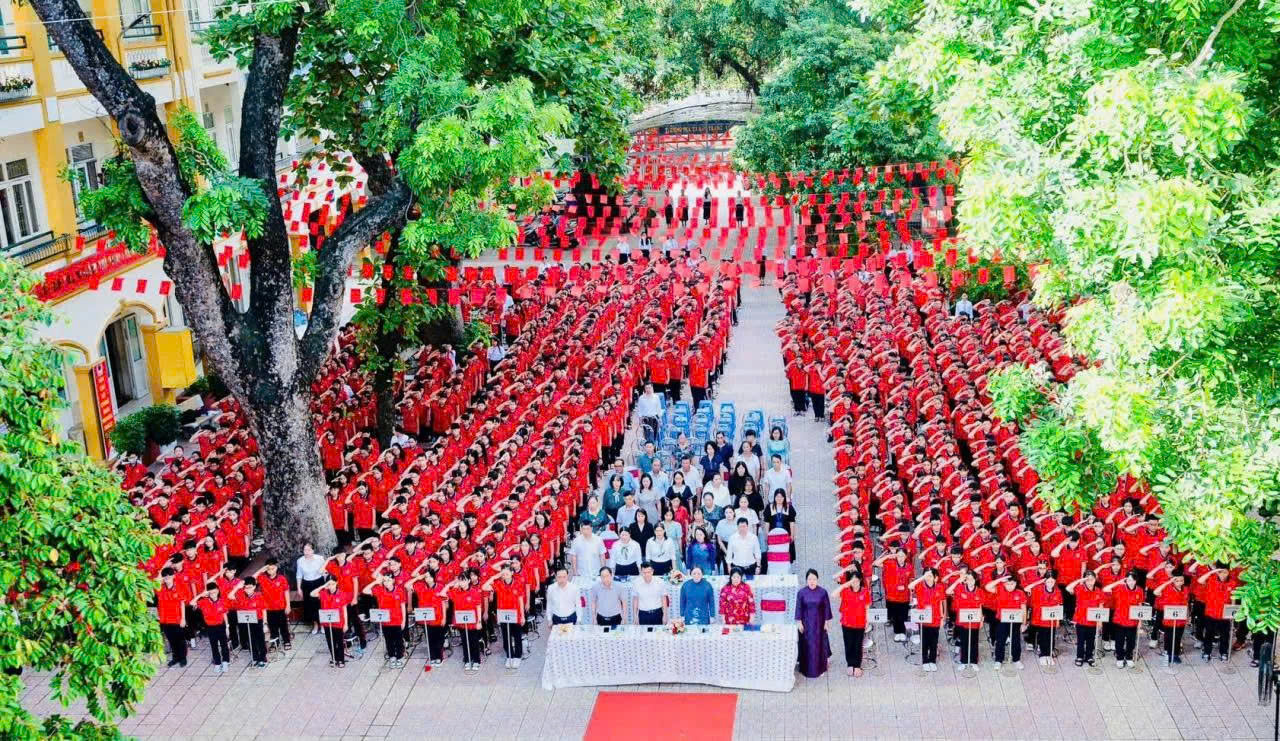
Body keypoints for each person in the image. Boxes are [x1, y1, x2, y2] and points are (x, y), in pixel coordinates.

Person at [364, 570, 407, 667]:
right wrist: (376, 582)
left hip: (397, 620)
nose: (386, 583)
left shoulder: (400, 590)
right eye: (384, 581)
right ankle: (392, 656)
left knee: (398, 640)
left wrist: (404, 620)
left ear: (393, 580)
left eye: (388, 580)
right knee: (388, 640)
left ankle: (400, 657)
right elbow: (365, 590)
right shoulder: (379, 590)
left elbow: (403, 606)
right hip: (385, 621)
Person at [487, 562, 526, 669]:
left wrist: (522, 616)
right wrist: (495, 576)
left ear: (512, 573)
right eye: (503, 574)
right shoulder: (499, 584)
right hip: (503, 614)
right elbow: (485, 587)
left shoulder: (518, 583)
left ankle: (517, 656)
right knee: (506, 636)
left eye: (507, 574)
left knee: (517, 636)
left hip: (515, 614)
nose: (505, 576)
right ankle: (509, 655)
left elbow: (520, 600)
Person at [796, 569, 833, 678]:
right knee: (807, 645)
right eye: (809, 579)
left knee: (819, 645)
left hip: (819, 623)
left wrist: (826, 622)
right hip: (806, 623)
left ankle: (820, 668)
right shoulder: (801, 593)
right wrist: (799, 622)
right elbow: (798, 608)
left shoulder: (823, 592)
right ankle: (806, 669)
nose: (812, 581)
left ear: (817, 580)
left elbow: (826, 608)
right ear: (806, 580)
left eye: (814, 579)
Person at [1104, 571, 1145, 668]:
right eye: (1128, 580)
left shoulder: (1139, 590)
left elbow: (1140, 605)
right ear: (1125, 580)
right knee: (1119, 641)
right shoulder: (1119, 588)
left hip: (1133, 621)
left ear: (1136, 581)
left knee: (1131, 641)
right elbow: (1106, 589)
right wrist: (1119, 582)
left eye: (1133, 580)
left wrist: (1140, 622)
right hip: (1120, 619)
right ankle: (1120, 658)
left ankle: (1129, 657)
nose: (1131, 582)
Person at [910, 568, 947, 671]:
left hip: (935, 618)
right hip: (923, 619)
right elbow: (910, 586)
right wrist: (922, 577)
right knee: (924, 641)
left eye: (930, 576)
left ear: (935, 578)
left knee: (934, 641)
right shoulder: (919, 586)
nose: (928, 578)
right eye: (926, 576)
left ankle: (932, 661)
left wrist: (942, 618)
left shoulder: (939, 587)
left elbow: (940, 604)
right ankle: (925, 661)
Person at [311, 575, 352, 668]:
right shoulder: (323, 593)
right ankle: (334, 658)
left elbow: (344, 610)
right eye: (329, 585)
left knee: (339, 641)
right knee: (330, 642)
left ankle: (341, 659)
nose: (331, 586)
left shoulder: (342, 594)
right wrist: (323, 586)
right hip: (327, 622)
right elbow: (312, 594)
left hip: (338, 623)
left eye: (332, 584)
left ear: (336, 583)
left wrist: (345, 624)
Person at [986, 575, 1027, 668]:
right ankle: (998, 660)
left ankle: (1016, 659)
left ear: (1015, 583)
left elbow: (1023, 609)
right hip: (1002, 620)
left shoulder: (1020, 593)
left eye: (1012, 584)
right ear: (1004, 584)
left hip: (1016, 621)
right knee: (1000, 640)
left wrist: (1024, 623)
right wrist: (1000, 579)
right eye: (1007, 584)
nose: (1010, 586)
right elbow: (988, 587)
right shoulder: (999, 590)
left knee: (1015, 640)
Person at [191, 581, 232, 673]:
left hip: (221, 626)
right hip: (210, 627)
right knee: (214, 645)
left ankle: (225, 662)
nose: (213, 594)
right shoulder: (204, 602)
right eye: (211, 593)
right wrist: (201, 595)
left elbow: (224, 614)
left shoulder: (222, 601)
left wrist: (227, 626)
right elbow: (192, 602)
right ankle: (217, 663)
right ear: (208, 593)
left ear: (218, 591)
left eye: (214, 592)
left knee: (224, 645)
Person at [227, 578, 269, 667]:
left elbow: (264, 610)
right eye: (245, 588)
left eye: (250, 587)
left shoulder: (259, 596)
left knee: (260, 640)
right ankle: (254, 657)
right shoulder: (241, 595)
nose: (247, 590)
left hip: (258, 621)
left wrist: (265, 624)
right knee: (250, 640)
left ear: (254, 587)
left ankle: (263, 658)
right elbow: (230, 596)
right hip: (246, 622)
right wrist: (237, 587)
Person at [1025, 571, 1064, 666]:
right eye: (1048, 581)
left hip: (1051, 619)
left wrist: (1058, 621)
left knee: (1051, 636)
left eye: (1052, 581)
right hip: (1040, 618)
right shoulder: (1038, 588)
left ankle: (1049, 654)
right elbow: (1027, 588)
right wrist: (1040, 581)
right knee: (1043, 636)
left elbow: (1059, 606)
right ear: (1045, 581)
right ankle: (1043, 655)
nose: (1050, 583)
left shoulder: (1058, 591)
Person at [837, 572, 872, 677]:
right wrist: (845, 584)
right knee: (848, 644)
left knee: (858, 644)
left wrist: (867, 621)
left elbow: (867, 607)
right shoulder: (845, 591)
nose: (855, 583)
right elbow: (833, 594)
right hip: (847, 623)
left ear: (860, 580)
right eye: (852, 581)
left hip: (860, 623)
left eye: (856, 580)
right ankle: (850, 664)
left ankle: (857, 665)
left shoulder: (864, 591)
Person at [875, 546, 913, 642]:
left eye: (902, 556)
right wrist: (888, 556)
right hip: (892, 596)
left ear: (906, 556)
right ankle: (897, 632)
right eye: (898, 556)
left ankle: (902, 632)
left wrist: (911, 595)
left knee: (903, 614)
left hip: (904, 596)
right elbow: (876, 563)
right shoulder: (890, 564)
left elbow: (911, 581)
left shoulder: (909, 566)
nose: (900, 558)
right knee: (895, 615)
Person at [949, 570, 984, 670]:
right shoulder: (960, 588)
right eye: (968, 579)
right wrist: (959, 580)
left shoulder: (980, 591)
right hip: (962, 621)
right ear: (965, 580)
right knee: (964, 641)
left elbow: (980, 606)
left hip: (975, 621)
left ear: (975, 580)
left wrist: (981, 620)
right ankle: (963, 661)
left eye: (972, 579)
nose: (970, 581)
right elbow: (948, 591)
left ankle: (973, 661)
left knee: (974, 641)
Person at [255, 558, 292, 651]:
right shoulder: (262, 578)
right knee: (272, 626)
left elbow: (286, 591)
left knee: (283, 625)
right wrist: (262, 569)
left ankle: (286, 641)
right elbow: (252, 579)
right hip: (268, 608)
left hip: (281, 607)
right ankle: (275, 642)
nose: (271, 571)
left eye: (273, 568)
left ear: (276, 567)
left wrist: (288, 605)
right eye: (268, 569)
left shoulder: (282, 578)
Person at [1153, 570, 1190, 664]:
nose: (1180, 582)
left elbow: (1187, 604)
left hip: (1181, 619)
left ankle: (1175, 654)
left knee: (1178, 637)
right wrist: (1168, 582)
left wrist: (1188, 616)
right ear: (1173, 580)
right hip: (1169, 619)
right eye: (1177, 581)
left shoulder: (1186, 589)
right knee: (1168, 637)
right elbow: (1156, 592)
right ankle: (1168, 653)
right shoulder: (1167, 588)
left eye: (1181, 580)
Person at [156, 568, 188, 668]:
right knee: (171, 639)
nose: (167, 579)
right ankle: (175, 658)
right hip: (165, 619)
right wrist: (161, 574)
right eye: (165, 577)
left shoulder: (178, 588)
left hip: (177, 619)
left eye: (169, 576)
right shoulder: (160, 588)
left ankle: (183, 658)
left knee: (180, 639)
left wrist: (183, 618)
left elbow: (182, 603)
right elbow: (155, 582)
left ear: (173, 576)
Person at [296, 542, 328, 635]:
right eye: (305, 550)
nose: (307, 552)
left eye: (309, 550)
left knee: (320, 604)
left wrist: (326, 585)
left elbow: (325, 572)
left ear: (313, 550)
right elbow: (299, 575)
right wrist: (299, 588)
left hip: (319, 583)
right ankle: (315, 624)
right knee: (310, 606)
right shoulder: (300, 561)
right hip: (307, 584)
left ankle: (323, 624)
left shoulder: (320, 558)